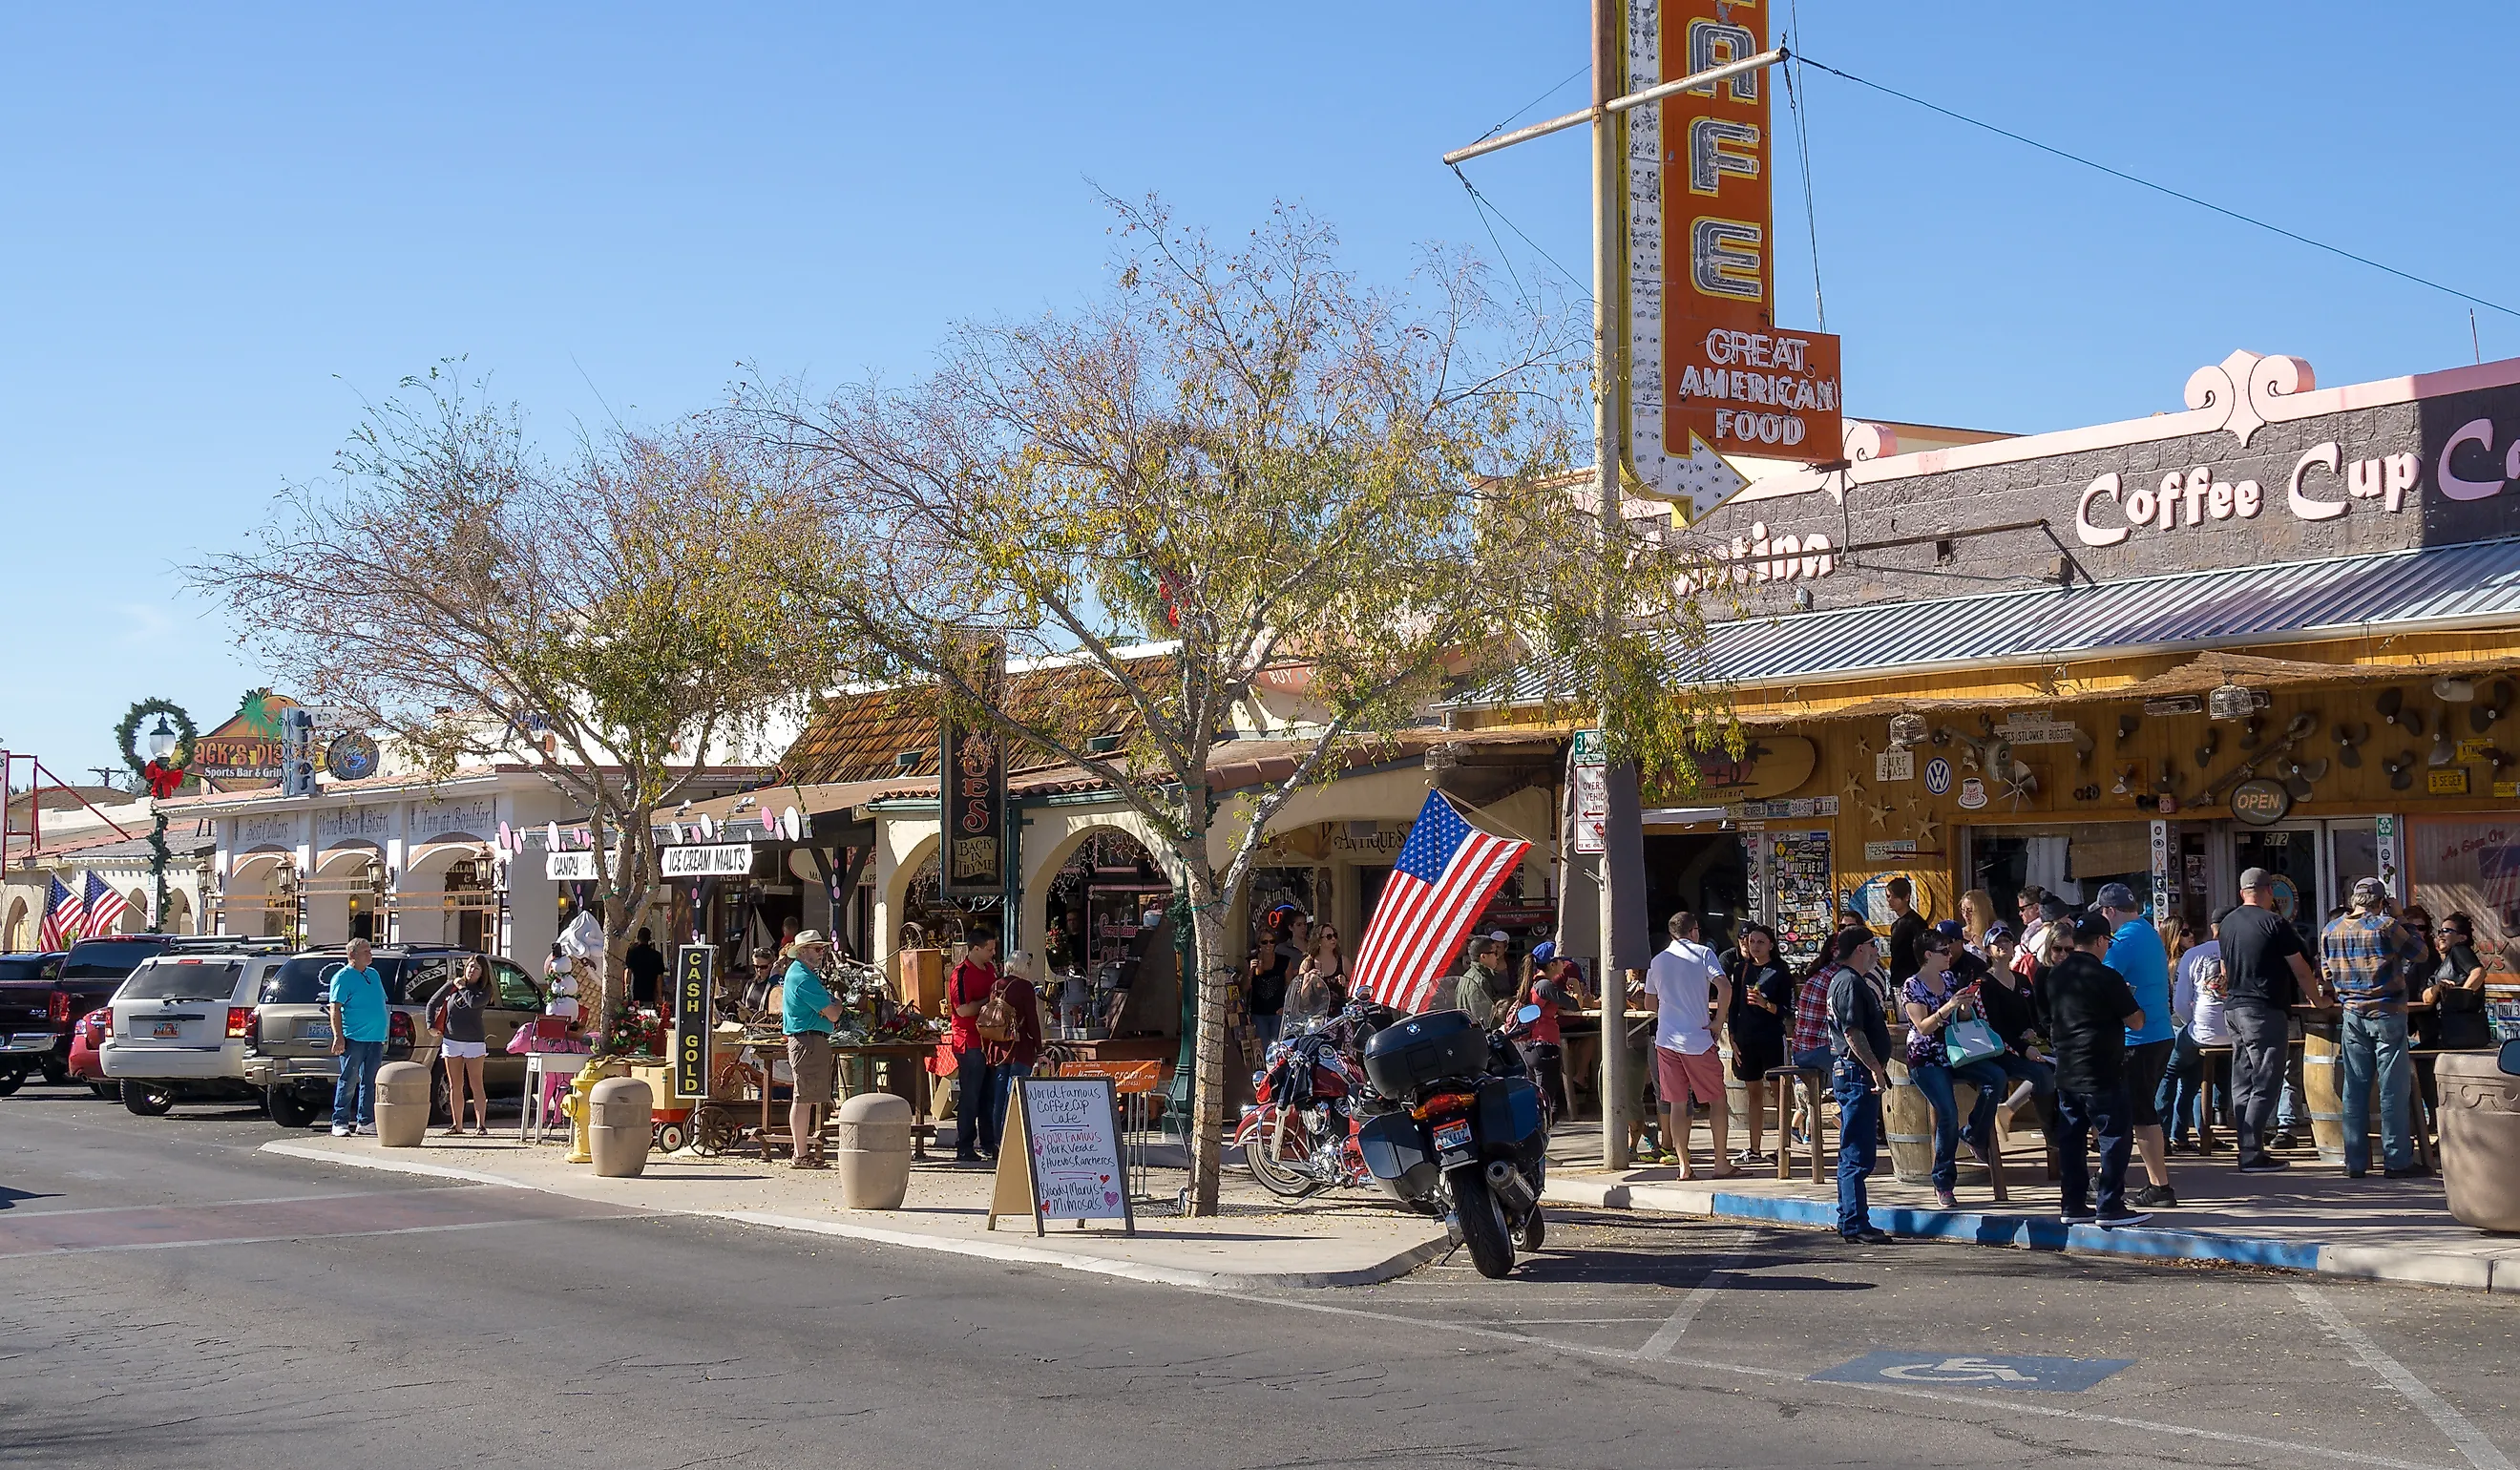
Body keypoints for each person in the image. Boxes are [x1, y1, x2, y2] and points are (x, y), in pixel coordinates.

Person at [2320, 878, 2429, 1179]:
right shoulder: (2386, 926)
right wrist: (2402, 918)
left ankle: (2355, 1162)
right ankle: (2396, 1161)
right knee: (2392, 1088)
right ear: (2381, 901)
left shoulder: (2331, 930)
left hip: (2352, 1014)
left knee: (2354, 1087)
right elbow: (2420, 953)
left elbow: (2327, 973)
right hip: (2388, 1013)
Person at [2047, 914, 2151, 1228]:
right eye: (2107, 942)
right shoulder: (2107, 977)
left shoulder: (2053, 976)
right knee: (2114, 1136)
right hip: (2101, 1068)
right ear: (2102, 941)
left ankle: (2073, 1203)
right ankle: (2109, 1205)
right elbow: (2136, 1021)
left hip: (2066, 1067)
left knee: (2072, 1139)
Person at [2221, 867, 2325, 1172]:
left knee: (2242, 1079)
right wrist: (2318, 1000)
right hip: (2263, 1008)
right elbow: (2301, 968)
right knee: (2267, 1079)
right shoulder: (2274, 923)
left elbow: (2225, 971)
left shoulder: (2227, 923)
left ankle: (2246, 1146)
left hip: (2234, 1008)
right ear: (2269, 891)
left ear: (2242, 893)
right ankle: (2252, 1152)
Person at [1899, 932, 2007, 1209]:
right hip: (1926, 1057)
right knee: (1946, 1112)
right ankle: (1944, 1182)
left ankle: (1972, 1132)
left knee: (1996, 1077)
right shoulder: (1912, 986)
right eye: (1944, 951)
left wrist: (1965, 1007)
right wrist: (1949, 1006)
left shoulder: (1949, 980)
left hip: (1956, 1051)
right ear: (1928, 955)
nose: (1949, 955)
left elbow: (1961, 1020)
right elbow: (1922, 1026)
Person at [2094, 883, 2179, 1209]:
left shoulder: (2125, 938)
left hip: (2138, 1038)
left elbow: (2100, 977)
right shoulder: (2146, 931)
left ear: (2110, 911)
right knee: (2127, 1110)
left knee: (2141, 1113)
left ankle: (2160, 1186)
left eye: (2103, 914)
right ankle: (2106, 1174)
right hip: (2158, 1034)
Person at [1638, 911, 1737, 1180]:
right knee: (1717, 1100)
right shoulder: (1703, 954)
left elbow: (1649, 1004)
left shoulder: (1657, 961)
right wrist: (1718, 1021)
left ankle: (1684, 1166)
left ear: (1672, 934)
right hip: (1697, 1037)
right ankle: (1720, 1163)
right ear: (1694, 931)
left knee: (1677, 1104)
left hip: (1666, 1040)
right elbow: (1724, 987)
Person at [1824, 928, 1897, 1244]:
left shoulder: (1847, 980)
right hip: (1855, 1072)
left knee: (1856, 1149)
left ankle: (1850, 1218)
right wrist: (1876, 1069)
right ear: (1858, 949)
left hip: (1853, 1071)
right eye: (1873, 945)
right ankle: (1855, 1222)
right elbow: (1852, 1032)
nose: (1876, 951)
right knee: (1857, 1151)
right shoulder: (1849, 982)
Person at [1975, 921, 2057, 1138]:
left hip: (2026, 1045)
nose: (2003, 945)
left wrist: (2034, 1033)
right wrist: (2023, 1048)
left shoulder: (2021, 980)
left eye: (2007, 941)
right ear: (1987, 950)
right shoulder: (1984, 983)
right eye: (1997, 942)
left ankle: (2013, 1111)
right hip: (2000, 1050)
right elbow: (1992, 1027)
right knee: (2042, 1074)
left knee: (2063, 1066)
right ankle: (2053, 1134)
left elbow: (2034, 1015)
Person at [1724, 924, 1791, 1166]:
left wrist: (1766, 1005)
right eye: (1751, 941)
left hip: (1771, 1037)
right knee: (1753, 1093)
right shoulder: (1741, 969)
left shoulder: (1780, 970)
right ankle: (1754, 1148)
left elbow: (1787, 1009)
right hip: (1746, 1038)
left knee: (1779, 1093)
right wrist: (1732, 1035)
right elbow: (1732, 1006)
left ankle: (1782, 1147)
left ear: (1771, 944)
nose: (1755, 946)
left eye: (1760, 942)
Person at [780, 932, 844, 1169]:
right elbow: (834, 1012)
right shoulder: (802, 977)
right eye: (817, 949)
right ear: (803, 951)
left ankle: (802, 1152)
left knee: (805, 1097)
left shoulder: (803, 974)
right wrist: (836, 1003)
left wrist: (830, 1007)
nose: (821, 953)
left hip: (809, 1039)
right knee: (803, 1097)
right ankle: (800, 1154)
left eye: (822, 949)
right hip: (807, 1041)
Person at [2163, 913, 2224, 1153]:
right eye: (2184, 932)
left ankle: (2182, 1134)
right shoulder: (2176, 964)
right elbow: (2178, 1001)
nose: (2191, 937)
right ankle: (2178, 1134)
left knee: (2192, 1082)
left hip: (2190, 1025)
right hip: (2181, 1024)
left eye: (2191, 932)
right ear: (2173, 937)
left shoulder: (2190, 959)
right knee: (2182, 1080)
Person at [947, 933, 1005, 1163]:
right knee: (971, 1095)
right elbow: (962, 1010)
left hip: (990, 1041)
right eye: (989, 949)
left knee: (988, 1095)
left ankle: (989, 1143)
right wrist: (989, 1002)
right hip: (969, 1041)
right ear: (976, 949)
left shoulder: (992, 969)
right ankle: (965, 1145)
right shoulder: (960, 974)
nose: (993, 953)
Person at [326, 938, 389, 1138]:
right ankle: (340, 1121)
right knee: (349, 1079)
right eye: (365, 952)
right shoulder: (342, 977)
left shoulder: (373, 974)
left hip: (375, 1037)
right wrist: (339, 1037)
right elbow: (335, 1009)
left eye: (370, 951)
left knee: (370, 1081)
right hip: (354, 1037)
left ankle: (365, 1121)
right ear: (352, 955)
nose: (370, 955)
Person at [1517, 944, 1586, 1121]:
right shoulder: (1546, 985)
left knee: (1543, 1099)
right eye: (1561, 961)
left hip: (1533, 1047)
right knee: (1548, 1103)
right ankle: (1538, 1137)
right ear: (1552, 964)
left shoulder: (1535, 983)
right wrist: (1576, 987)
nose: (1565, 964)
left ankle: (1538, 1134)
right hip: (1545, 1047)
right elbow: (1575, 1005)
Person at [428, 956, 494, 1137]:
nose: (472, 970)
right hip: (451, 1040)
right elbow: (432, 1002)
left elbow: (473, 1003)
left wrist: (462, 987)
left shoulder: (484, 991)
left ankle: (481, 1125)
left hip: (474, 1041)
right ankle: (457, 1125)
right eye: (470, 966)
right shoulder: (453, 984)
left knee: (476, 1083)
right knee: (455, 1085)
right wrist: (430, 1025)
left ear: (483, 973)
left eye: (477, 968)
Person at [986, 950, 1045, 1137]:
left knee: (1000, 1097)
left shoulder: (996, 985)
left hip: (999, 1046)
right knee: (1016, 1097)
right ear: (1023, 966)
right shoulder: (1025, 987)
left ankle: (997, 1140)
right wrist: (1040, 1048)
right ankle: (1010, 1139)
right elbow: (1032, 1020)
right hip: (1020, 1047)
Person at [2423, 912, 2494, 1054]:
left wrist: (2461, 995)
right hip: (2446, 1034)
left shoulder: (2459, 950)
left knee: (2416, 1061)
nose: (2441, 935)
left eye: (2447, 931)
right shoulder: (2442, 965)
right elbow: (2426, 997)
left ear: (2461, 938)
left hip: (2460, 1033)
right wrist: (2437, 988)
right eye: (2440, 931)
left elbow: (2479, 973)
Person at [1246, 909, 1297, 1045]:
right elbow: (1244, 988)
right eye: (1265, 942)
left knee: (1277, 1049)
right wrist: (1251, 970)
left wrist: (1285, 1008)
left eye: (1272, 941)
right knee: (1262, 1049)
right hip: (1258, 1013)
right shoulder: (1252, 960)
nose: (1269, 945)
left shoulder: (1284, 961)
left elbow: (1289, 987)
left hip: (1277, 1013)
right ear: (1259, 945)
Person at [1287, 925, 1350, 1023]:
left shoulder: (1343, 961)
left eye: (1335, 935)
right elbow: (1302, 997)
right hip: (1316, 1021)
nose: (1333, 939)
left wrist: (1346, 984)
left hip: (1340, 1019)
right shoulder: (1308, 963)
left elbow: (1356, 988)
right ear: (1319, 941)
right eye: (1329, 936)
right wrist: (1309, 980)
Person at [1453, 932, 1514, 1026]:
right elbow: (1485, 1021)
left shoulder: (1466, 976)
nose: (1497, 957)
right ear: (1484, 956)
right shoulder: (1480, 981)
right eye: (1494, 953)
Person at [1883, 876, 1927, 984]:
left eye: (1894, 897)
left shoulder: (1917, 923)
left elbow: (1922, 953)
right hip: (1897, 978)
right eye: (1888, 896)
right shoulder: (1896, 925)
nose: (1889, 900)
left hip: (1914, 978)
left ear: (1906, 897)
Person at [624, 927, 666, 1007]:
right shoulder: (656, 955)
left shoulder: (632, 953)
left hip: (635, 991)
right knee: (649, 1016)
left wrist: (626, 991)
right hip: (650, 991)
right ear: (649, 939)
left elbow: (628, 972)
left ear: (638, 938)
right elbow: (659, 977)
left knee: (633, 1016)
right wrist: (659, 995)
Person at [1961, 889, 1999, 956]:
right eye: (1963, 910)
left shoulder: (1996, 927)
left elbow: (1995, 953)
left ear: (1981, 911)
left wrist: (1972, 937)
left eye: (1970, 910)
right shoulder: (1964, 931)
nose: (1965, 915)